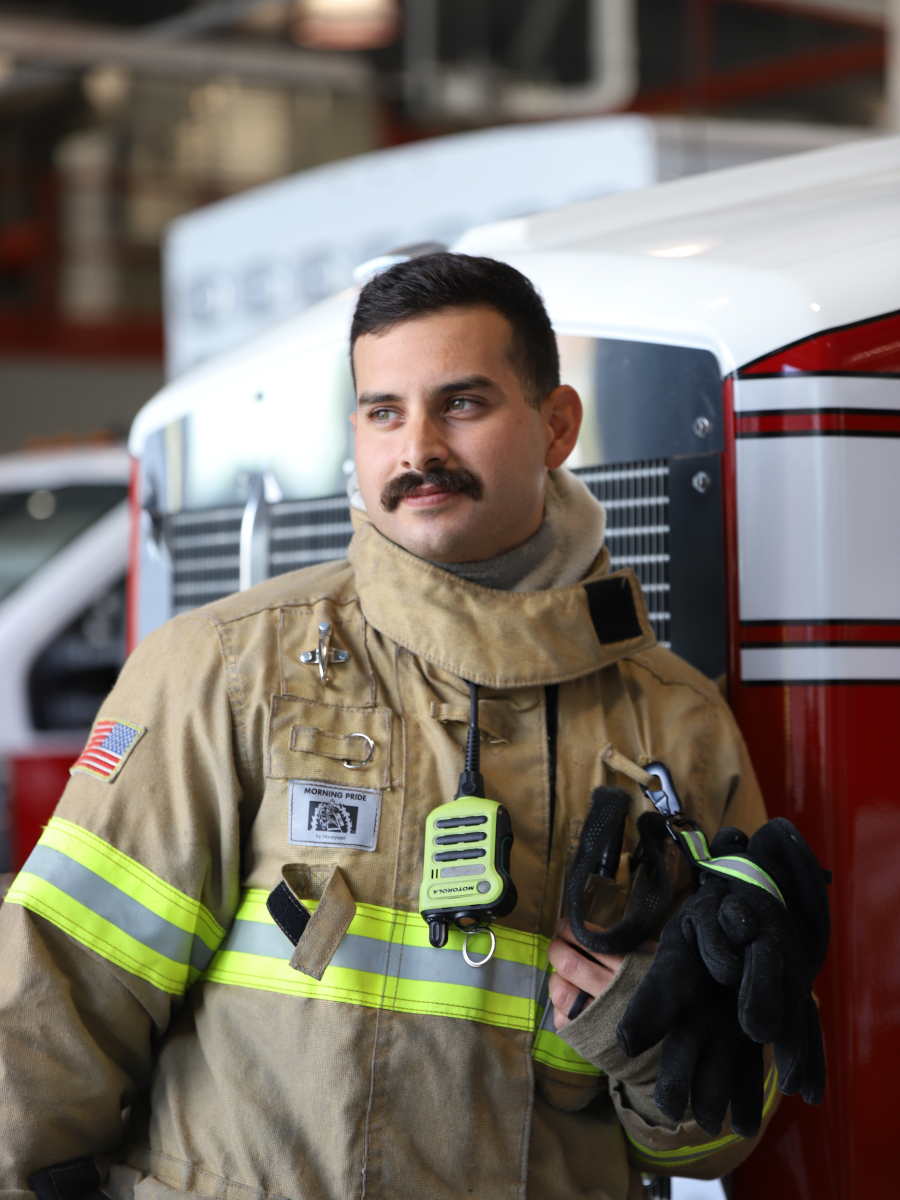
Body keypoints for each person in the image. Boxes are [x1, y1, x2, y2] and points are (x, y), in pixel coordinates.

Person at [0, 253, 778, 1200]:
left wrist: (640, 1036)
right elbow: (51, 1016)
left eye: (463, 403)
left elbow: (708, 1147)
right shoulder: (226, 669)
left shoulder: (678, 726)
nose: (416, 449)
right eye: (383, 412)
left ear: (558, 425)